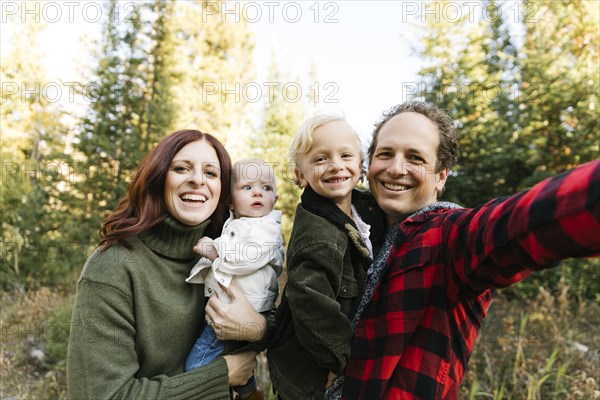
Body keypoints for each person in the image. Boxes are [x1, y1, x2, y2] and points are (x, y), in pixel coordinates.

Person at [324, 101, 600, 399]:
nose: (395, 168)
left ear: (441, 176)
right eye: (386, 154)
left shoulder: (450, 236)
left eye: (415, 157)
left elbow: (518, 223)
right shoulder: (348, 236)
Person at [67, 130, 273, 399]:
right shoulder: (112, 269)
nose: (198, 180)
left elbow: (279, 321)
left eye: (211, 173)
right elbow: (102, 395)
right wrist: (222, 374)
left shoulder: (227, 253)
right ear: (158, 177)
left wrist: (258, 328)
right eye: (181, 168)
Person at [267, 115, 385, 400]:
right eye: (320, 159)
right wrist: (342, 361)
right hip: (312, 377)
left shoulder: (367, 210)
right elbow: (310, 302)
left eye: (345, 155)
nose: (335, 165)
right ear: (300, 174)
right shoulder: (318, 233)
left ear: (360, 166)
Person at [185, 158, 284, 400]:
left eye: (267, 188)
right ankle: (250, 393)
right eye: (247, 187)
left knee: (196, 368)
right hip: (233, 310)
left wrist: (214, 249)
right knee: (232, 357)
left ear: (275, 200)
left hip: (237, 313)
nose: (258, 192)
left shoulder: (266, 228)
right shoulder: (240, 223)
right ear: (229, 200)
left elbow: (247, 256)